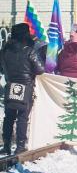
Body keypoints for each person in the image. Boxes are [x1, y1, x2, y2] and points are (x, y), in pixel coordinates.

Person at [0, 23, 44, 154]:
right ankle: (20, 146)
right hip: (26, 86)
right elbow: (40, 69)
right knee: (22, 118)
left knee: (9, 117)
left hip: (10, 85)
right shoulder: (29, 51)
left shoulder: (5, 50)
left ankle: (6, 145)